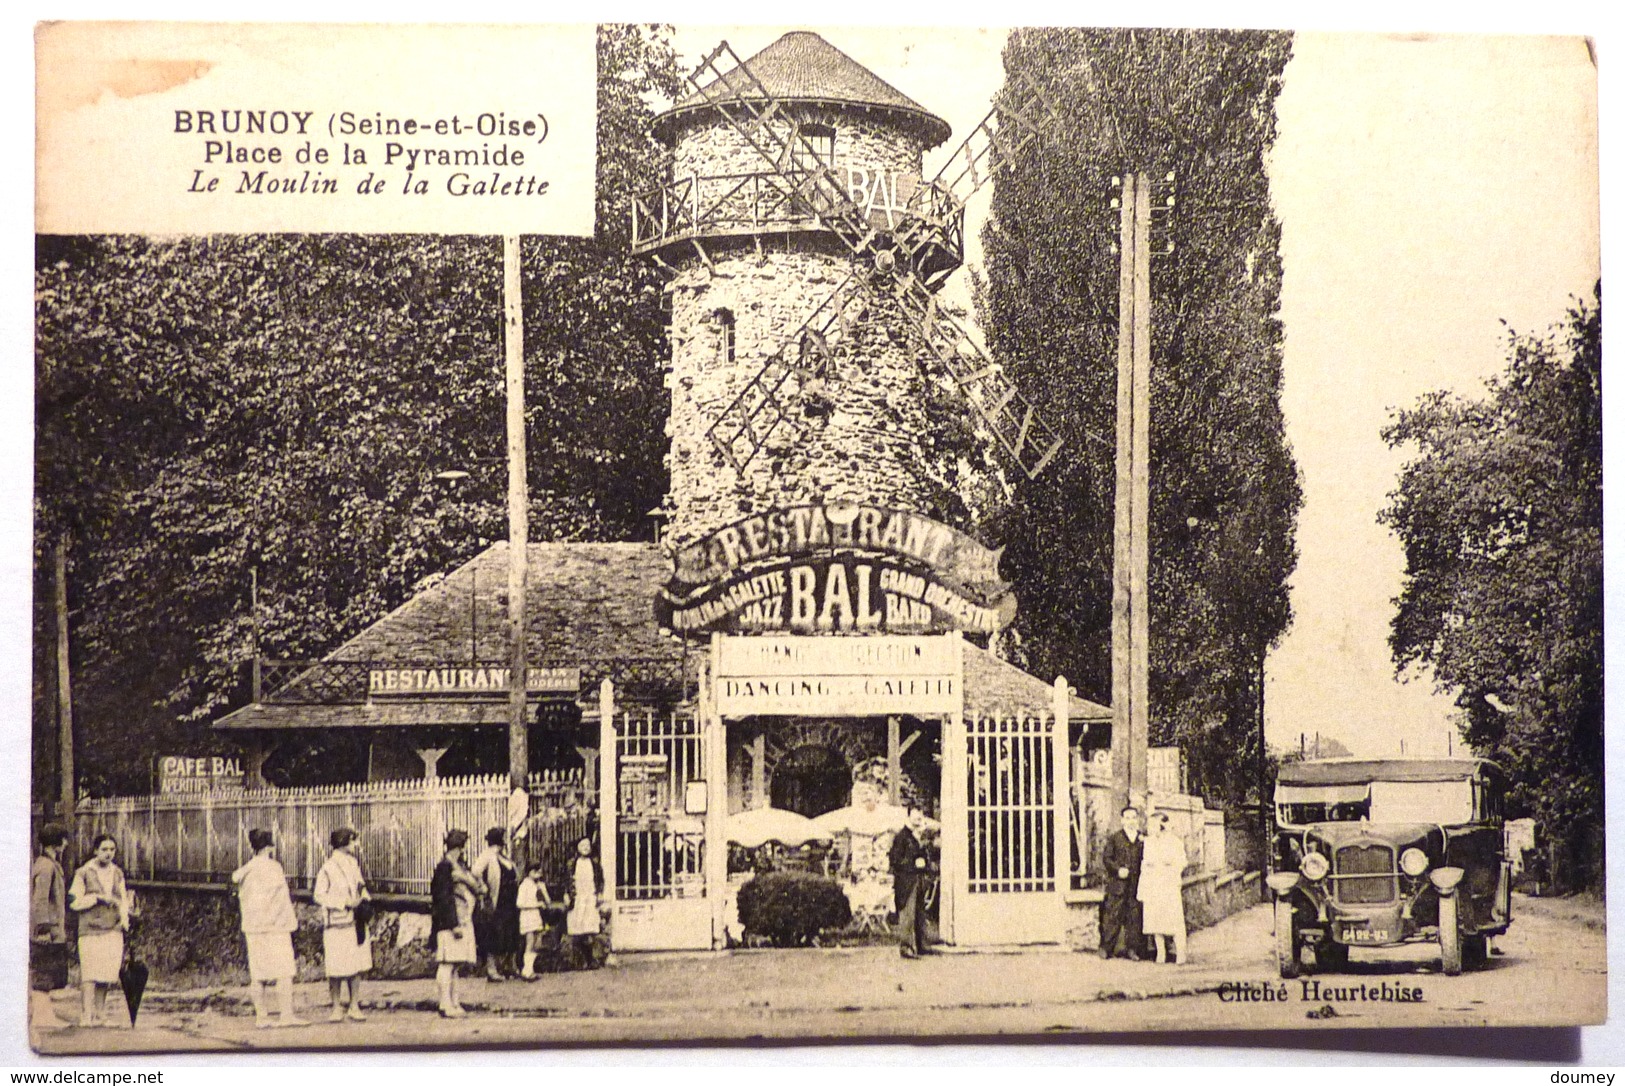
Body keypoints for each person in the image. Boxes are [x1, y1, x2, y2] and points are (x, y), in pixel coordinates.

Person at [231, 829, 308, 1028]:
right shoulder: (273, 868)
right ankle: (286, 1015)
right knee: (284, 972)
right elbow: (280, 899)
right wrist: (288, 922)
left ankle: (261, 1017)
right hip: (275, 926)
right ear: (269, 847)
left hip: (253, 927)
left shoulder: (246, 870)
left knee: (258, 974)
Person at [69, 833, 130, 1027]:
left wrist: (125, 919)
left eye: (112, 849)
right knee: (90, 973)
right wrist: (96, 898)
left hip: (112, 928)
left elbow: (123, 900)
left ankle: (100, 1015)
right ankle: (86, 1015)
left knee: (106, 972)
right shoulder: (84, 872)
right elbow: (73, 902)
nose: (108, 853)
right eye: (104, 849)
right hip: (90, 930)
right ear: (96, 850)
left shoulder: (117, 873)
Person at [314, 826, 372, 1022]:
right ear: (344, 842)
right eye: (353, 841)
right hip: (337, 923)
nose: (356, 845)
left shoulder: (353, 863)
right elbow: (319, 895)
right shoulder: (328, 867)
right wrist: (344, 903)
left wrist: (364, 896)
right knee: (336, 967)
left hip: (355, 921)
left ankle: (354, 1005)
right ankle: (336, 1007)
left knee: (355, 965)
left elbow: (360, 884)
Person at [431, 829, 483, 1016]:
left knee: (455, 965)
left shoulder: (458, 866)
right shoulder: (445, 867)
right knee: (447, 964)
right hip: (451, 922)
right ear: (459, 847)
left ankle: (454, 1002)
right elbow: (443, 898)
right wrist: (452, 924)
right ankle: (445, 1004)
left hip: (462, 919)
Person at [30, 824, 71, 1032]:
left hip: (53, 930)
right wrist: (43, 928)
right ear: (56, 843)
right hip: (47, 932)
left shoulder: (50, 864)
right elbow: (40, 900)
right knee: (43, 975)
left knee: (47, 974)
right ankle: (41, 1017)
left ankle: (45, 1015)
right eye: (63, 839)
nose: (66, 844)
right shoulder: (46, 866)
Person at [1138, 811, 1188, 965]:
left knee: (1174, 918)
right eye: (1151, 825)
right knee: (1155, 919)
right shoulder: (1148, 842)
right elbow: (1145, 863)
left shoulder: (1175, 842)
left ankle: (1181, 953)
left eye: (1156, 824)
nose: (1153, 828)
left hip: (1168, 884)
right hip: (1153, 884)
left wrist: (1171, 867)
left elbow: (1183, 862)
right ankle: (1161, 953)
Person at [470, 827, 520, 982]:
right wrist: (482, 887)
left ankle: (509, 966)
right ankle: (492, 970)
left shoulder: (504, 856)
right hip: (496, 900)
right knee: (494, 934)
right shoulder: (487, 855)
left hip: (510, 901)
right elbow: (475, 872)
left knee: (511, 932)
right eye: (503, 837)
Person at [1100, 806, 1145, 961]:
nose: (1131, 821)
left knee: (1134, 917)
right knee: (1113, 916)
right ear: (1122, 820)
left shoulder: (1142, 839)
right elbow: (1107, 858)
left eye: (1133, 817)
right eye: (1127, 818)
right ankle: (1106, 948)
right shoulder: (1115, 838)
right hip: (1118, 885)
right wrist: (1117, 870)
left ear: (1137, 819)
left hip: (1136, 885)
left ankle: (1132, 949)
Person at [888, 807, 929, 958]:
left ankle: (921, 945)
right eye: (916, 817)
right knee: (908, 914)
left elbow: (923, 855)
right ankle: (906, 947)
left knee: (919, 913)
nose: (919, 820)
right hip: (906, 881)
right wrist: (913, 863)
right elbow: (896, 860)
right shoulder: (901, 837)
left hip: (918, 879)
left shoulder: (917, 836)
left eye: (920, 816)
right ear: (909, 817)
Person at [565, 837, 604, 970]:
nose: (586, 848)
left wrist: (599, 894)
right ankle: (579, 961)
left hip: (590, 898)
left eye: (588, 845)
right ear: (577, 847)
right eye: (583, 845)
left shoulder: (594, 863)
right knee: (577, 929)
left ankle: (591, 959)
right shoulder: (572, 863)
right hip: (577, 898)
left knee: (589, 930)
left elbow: (599, 880)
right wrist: (567, 894)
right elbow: (566, 881)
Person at [516, 858, 552, 980]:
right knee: (530, 942)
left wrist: (543, 890)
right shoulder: (524, 885)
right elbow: (520, 903)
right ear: (530, 872)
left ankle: (530, 969)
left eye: (540, 873)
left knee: (536, 943)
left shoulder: (538, 885)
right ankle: (526, 971)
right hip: (527, 916)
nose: (538, 875)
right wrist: (536, 905)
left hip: (536, 916)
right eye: (536, 872)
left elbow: (548, 902)